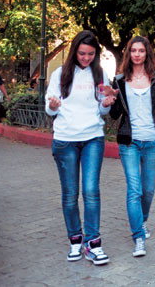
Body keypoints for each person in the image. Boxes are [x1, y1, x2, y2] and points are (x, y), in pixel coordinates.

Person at [45, 30, 115, 265]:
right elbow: (50, 109)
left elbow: (103, 109)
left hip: (93, 138)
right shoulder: (59, 74)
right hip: (65, 140)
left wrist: (106, 103)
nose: (85, 58)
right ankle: (76, 240)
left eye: (90, 54)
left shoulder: (100, 73)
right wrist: (53, 105)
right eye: (82, 53)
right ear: (75, 51)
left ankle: (93, 243)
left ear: (96, 54)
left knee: (91, 191)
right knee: (70, 194)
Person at [105, 36, 155, 258]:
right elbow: (115, 115)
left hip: (153, 141)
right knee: (134, 190)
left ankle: (142, 221)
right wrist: (111, 101)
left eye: (141, 51)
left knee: (148, 190)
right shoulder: (119, 81)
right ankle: (138, 237)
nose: (137, 54)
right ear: (128, 53)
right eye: (133, 50)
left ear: (147, 54)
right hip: (130, 142)